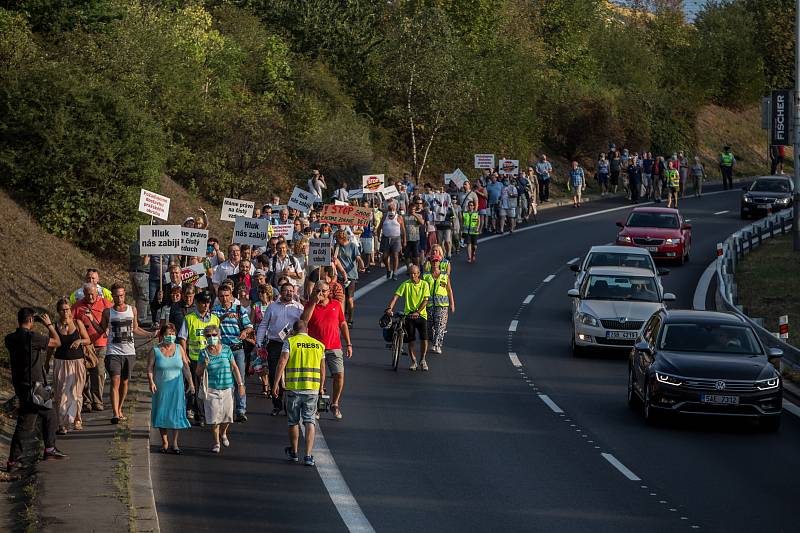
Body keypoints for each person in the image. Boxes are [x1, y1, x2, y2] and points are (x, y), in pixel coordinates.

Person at [6, 308, 67, 472]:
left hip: (21, 385)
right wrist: (49, 325)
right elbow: (57, 342)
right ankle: (49, 449)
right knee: (50, 415)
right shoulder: (33, 338)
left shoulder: (10, 339)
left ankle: (13, 461)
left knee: (25, 423)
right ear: (31, 320)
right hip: (36, 384)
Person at [95, 283, 155, 424]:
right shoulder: (107, 312)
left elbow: (135, 328)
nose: (119, 298)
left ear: (124, 295)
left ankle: (120, 408)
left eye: (121, 295)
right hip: (113, 352)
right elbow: (101, 330)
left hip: (129, 352)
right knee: (115, 381)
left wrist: (150, 334)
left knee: (125, 382)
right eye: (116, 295)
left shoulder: (132, 310)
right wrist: (91, 321)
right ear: (113, 296)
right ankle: (115, 413)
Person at [273, 319, 326, 466]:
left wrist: (276, 383)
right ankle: (308, 456)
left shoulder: (290, 342)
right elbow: (323, 368)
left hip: (294, 387)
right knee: (310, 421)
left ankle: (294, 452)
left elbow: (283, 361)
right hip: (312, 388)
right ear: (307, 330)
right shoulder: (319, 345)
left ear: (294, 331)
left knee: (293, 421)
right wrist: (321, 387)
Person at [301, 281, 351, 420]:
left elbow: (342, 323)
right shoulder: (310, 304)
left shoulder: (335, 304)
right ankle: (316, 405)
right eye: (318, 290)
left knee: (339, 375)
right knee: (316, 380)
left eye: (323, 291)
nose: (320, 294)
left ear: (329, 292)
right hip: (315, 348)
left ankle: (335, 404)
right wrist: (313, 302)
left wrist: (348, 344)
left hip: (334, 347)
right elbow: (304, 321)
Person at [196, 325, 245, 453]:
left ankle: (223, 433)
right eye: (208, 336)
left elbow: (234, 367)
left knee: (227, 416)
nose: (211, 338)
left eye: (214, 335)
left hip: (227, 388)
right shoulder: (203, 353)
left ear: (218, 336)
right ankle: (216, 442)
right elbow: (198, 372)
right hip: (212, 389)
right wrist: (203, 364)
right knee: (213, 418)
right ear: (205, 338)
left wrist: (240, 385)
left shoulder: (227, 350)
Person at [256, 283, 304, 416]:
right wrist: (259, 343)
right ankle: (277, 405)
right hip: (275, 344)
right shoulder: (272, 306)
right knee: (273, 373)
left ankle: (289, 405)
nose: (289, 293)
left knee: (290, 374)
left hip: (292, 344)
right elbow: (263, 325)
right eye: (286, 291)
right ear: (281, 293)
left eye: (291, 291)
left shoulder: (299, 307)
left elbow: (303, 326)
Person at [147, 323, 192, 454]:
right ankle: (164, 442)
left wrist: (191, 383)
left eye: (172, 334)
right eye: (167, 334)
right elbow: (149, 367)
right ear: (162, 335)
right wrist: (151, 382)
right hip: (161, 387)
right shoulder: (155, 350)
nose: (170, 337)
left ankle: (175, 443)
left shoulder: (179, 348)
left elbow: (185, 366)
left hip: (177, 388)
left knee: (176, 413)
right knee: (162, 413)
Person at [211, 285, 253, 422]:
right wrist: (224, 316)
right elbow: (213, 326)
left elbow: (249, 326)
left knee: (239, 379)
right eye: (222, 296)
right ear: (218, 297)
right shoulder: (215, 311)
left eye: (227, 295)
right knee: (222, 380)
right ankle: (222, 409)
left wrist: (244, 332)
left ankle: (241, 410)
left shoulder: (240, 310)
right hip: (222, 349)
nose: (224, 298)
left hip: (237, 349)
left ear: (231, 296)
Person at [177, 290, 219, 425]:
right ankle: (199, 414)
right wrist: (185, 355)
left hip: (211, 358)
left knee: (210, 387)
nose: (205, 305)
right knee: (196, 387)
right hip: (195, 358)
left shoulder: (215, 319)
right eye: (202, 303)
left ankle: (209, 412)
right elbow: (183, 338)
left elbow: (219, 339)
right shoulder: (189, 318)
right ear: (197, 303)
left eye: (207, 303)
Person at [53, 299, 90, 434]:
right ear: (58, 311)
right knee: (61, 393)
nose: (66, 312)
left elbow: (88, 340)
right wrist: (46, 363)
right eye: (63, 309)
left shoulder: (77, 323)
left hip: (77, 362)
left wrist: (79, 340)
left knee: (76, 393)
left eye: (67, 309)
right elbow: (51, 345)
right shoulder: (55, 326)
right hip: (61, 362)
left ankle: (77, 419)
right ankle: (62, 424)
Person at [72, 283, 111, 413]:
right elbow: (70, 321)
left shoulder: (105, 303)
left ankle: (97, 401)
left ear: (97, 293)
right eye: (87, 294)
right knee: (84, 375)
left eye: (92, 294)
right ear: (83, 293)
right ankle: (86, 401)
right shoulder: (77, 306)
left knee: (99, 373)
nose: (90, 296)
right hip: (84, 346)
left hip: (100, 344)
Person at [385, 265, 431, 371]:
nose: (413, 276)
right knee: (411, 339)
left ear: (419, 274)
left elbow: (425, 300)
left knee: (424, 338)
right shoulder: (406, 284)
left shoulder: (424, 284)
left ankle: (423, 359)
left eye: (415, 273)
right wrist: (389, 308)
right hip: (409, 316)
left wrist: (418, 312)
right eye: (411, 274)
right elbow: (396, 296)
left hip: (421, 315)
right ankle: (414, 361)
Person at [333, 230, 364, 327]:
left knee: (350, 298)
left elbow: (358, 258)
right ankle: (341, 320)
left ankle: (350, 319)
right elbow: (334, 259)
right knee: (340, 298)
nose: (336, 241)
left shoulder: (352, 246)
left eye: (337, 239)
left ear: (342, 238)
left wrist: (361, 265)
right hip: (340, 276)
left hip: (351, 275)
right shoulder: (337, 247)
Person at [423, 258, 455, 354]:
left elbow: (449, 290)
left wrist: (452, 303)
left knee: (440, 325)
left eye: (437, 261)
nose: (435, 263)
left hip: (442, 305)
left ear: (440, 263)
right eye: (433, 261)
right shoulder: (426, 276)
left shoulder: (445, 276)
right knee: (429, 326)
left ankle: (437, 345)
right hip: (429, 304)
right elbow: (422, 290)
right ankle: (433, 342)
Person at [377, 201, 406, 280]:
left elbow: (403, 230)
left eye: (393, 206)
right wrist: (378, 236)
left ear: (395, 208)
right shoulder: (384, 216)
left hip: (396, 238)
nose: (391, 207)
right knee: (385, 256)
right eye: (390, 206)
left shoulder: (399, 217)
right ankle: (388, 270)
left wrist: (404, 240)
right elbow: (379, 228)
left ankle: (395, 273)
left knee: (395, 255)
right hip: (386, 238)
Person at [128, 241, 151, 326]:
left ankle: (135, 319)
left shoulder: (132, 245)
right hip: (142, 273)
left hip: (132, 272)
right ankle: (141, 320)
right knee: (143, 297)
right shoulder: (146, 244)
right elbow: (145, 261)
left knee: (137, 297)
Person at [403, 198, 425, 267]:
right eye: (411, 209)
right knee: (407, 255)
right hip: (407, 238)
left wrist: (415, 215)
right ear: (408, 209)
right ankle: (408, 269)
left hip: (415, 238)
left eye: (413, 209)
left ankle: (417, 267)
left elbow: (422, 223)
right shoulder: (404, 217)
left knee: (416, 255)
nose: (412, 211)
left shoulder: (418, 216)